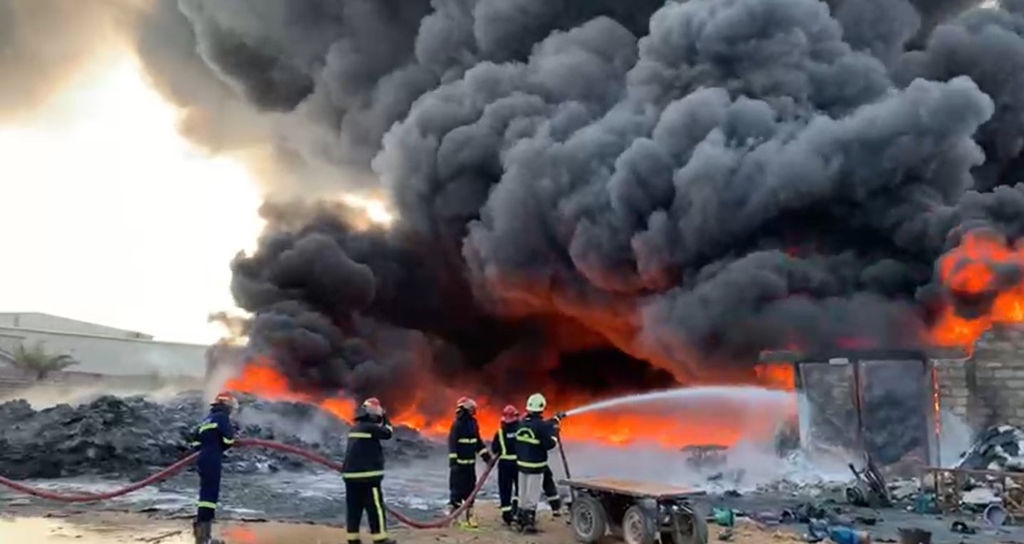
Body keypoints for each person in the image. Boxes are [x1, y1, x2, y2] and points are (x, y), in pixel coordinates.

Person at [341, 397, 396, 544]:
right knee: (375, 508)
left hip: (351, 476)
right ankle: (380, 539)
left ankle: (352, 539)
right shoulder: (370, 428)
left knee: (354, 509)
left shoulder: (355, 428)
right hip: (368, 478)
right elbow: (388, 433)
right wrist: (386, 418)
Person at [189, 391, 238, 544]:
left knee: (205, 494)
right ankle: (205, 538)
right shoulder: (222, 418)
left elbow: (196, 441)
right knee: (210, 496)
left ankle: (201, 535)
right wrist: (219, 448)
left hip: (202, 458)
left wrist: (206, 449)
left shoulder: (206, 419)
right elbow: (229, 439)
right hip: (212, 458)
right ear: (227, 405)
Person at [514, 393, 564, 534]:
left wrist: (555, 419)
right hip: (536, 466)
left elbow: (539, 426)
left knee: (522, 493)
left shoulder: (522, 423)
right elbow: (548, 444)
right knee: (533, 495)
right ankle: (529, 523)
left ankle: (520, 520)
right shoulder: (542, 427)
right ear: (542, 408)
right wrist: (554, 433)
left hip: (522, 465)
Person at [448, 396, 494, 528]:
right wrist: (454, 463)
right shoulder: (457, 425)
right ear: (466, 410)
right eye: (472, 409)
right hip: (459, 466)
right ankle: (454, 518)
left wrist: (486, 457)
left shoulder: (473, 423)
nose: (474, 411)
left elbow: (477, 442)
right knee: (456, 492)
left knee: (470, 491)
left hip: (470, 465)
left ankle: (470, 517)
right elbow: (452, 444)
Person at [490, 405, 521, 525]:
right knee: (520, 488)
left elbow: (495, 448)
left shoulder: (500, 432)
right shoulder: (521, 430)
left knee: (505, 490)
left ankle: (506, 515)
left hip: (504, 465)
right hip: (519, 463)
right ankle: (517, 509)